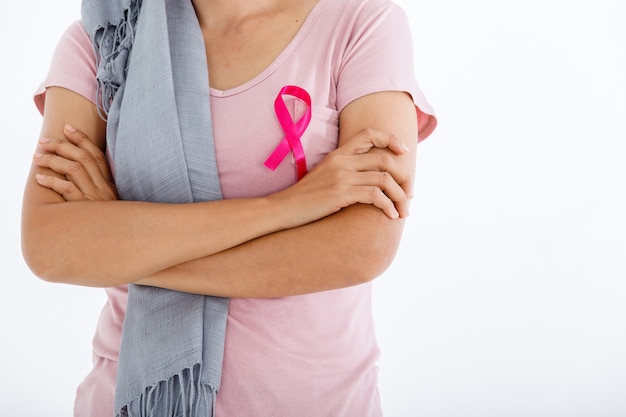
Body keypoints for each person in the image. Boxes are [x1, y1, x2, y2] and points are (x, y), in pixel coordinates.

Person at [21, 0, 436, 415]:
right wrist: (285, 208)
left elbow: (361, 248)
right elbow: (49, 246)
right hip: (127, 398)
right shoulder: (106, 44)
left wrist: (114, 253)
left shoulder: (362, 24)